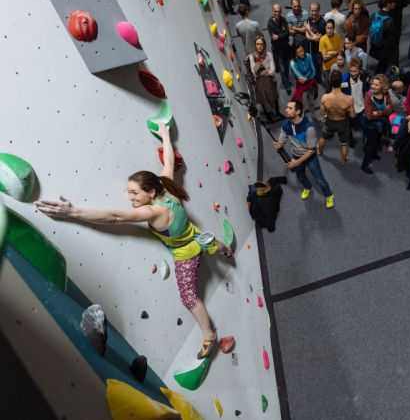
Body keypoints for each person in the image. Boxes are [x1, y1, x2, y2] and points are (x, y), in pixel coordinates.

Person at [34, 122, 234, 359]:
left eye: (134, 193)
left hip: (186, 252)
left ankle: (209, 335)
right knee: (212, 244)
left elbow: (117, 217)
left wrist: (74, 212)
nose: (130, 198)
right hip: (196, 235)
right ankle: (226, 250)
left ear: (150, 192)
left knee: (188, 297)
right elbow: (168, 162)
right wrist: (166, 136)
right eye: (129, 192)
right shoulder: (167, 187)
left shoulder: (154, 212)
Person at [274, 100, 335, 208]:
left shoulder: (308, 128)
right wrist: (279, 144)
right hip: (296, 156)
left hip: (310, 157)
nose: (286, 110)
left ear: (297, 111)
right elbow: (282, 139)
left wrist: (297, 162)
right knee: (301, 177)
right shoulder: (286, 124)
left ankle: (329, 195)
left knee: (319, 179)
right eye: (287, 107)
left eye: (289, 108)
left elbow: (312, 150)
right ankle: (307, 187)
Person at [318, 70, 356, 165]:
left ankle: (319, 151)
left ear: (331, 81)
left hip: (330, 121)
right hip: (343, 122)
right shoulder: (349, 99)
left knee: (323, 137)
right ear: (341, 82)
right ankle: (343, 161)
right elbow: (353, 115)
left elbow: (322, 113)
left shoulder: (325, 97)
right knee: (344, 143)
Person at [361, 74, 394, 174]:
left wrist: (378, 113)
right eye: (372, 84)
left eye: (376, 85)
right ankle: (364, 165)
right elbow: (369, 116)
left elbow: (391, 110)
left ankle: (374, 154)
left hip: (382, 123)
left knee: (378, 140)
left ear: (382, 86)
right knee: (372, 145)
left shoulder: (386, 94)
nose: (373, 87)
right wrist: (384, 112)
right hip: (372, 125)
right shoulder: (368, 95)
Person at [249, 36, 283, 123]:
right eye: (257, 44)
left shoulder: (268, 55)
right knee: (264, 100)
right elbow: (254, 72)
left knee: (274, 97)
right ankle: (269, 118)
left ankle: (277, 112)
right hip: (260, 84)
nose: (259, 46)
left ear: (264, 45)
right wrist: (266, 71)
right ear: (255, 45)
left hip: (271, 81)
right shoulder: (252, 57)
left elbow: (272, 70)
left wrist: (263, 73)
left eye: (261, 44)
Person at [341, 56, 370, 148]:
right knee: (347, 126)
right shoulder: (344, 79)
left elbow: (367, 90)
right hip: (349, 108)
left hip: (362, 106)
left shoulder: (365, 77)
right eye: (351, 71)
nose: (352, 73)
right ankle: (350, 139)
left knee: (365, 126)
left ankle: (366, 143)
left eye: (355, 71)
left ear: (360, 69)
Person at [369, 0, 399, 75]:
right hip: (384, 50)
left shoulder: (373, 15)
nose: (395, 4)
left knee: (380, 66)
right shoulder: (390, 21)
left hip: (374, 46)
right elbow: (391, 41)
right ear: (388, 4)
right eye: (393, 3)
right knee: (382, 69)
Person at [290, 41, 320, 121]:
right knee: (302, 106)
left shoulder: (308, 56)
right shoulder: (293, 63)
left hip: (310, 83)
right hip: (301, 87)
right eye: (299, 52)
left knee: (311, 102)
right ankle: (302, 120)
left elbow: (313, 71)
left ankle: (313, 116)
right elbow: (300, 78)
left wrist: (307, 78)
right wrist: (309, 75)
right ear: (295, 53)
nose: (302, 53)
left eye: (302, 50)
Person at [268, 4, 292, 95]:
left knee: (287, 66)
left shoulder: (283, 20)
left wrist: (278, 36)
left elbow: (287, 33)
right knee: (282, 68)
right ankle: (287, 85)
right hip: (278, 50)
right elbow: (273, 38)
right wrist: (282, 33)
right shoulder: (270, 24)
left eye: (279, 11)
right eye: (275, 11)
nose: (277, 13)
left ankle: (286, 80)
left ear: (281, 12)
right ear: (272, 12)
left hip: (286, 48)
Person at [305, 2, 327, 86]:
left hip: (321, 51)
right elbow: (306, 35)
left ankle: (327, 84)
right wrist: (312, 37)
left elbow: (319, 40)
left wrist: (309, 30)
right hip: (313, 49)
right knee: (315, 67)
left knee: (323, 68)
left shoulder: (322, 23)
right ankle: (318, 80)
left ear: (319, 10)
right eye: (312, 11)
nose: (313, 13)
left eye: (315, 11)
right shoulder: (309, 20)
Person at [319, 19, 343, 91]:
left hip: (337, 66)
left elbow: (341, 51)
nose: (329, 30)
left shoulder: (337, 37)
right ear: (325, 28)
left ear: (334, 28)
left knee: (338, 86)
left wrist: (329, 52)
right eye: (328, 28)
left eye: (331, 28)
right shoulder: (322, 40)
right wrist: (335, 53)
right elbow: (325, 57)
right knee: (328, 88)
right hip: (327, 68)